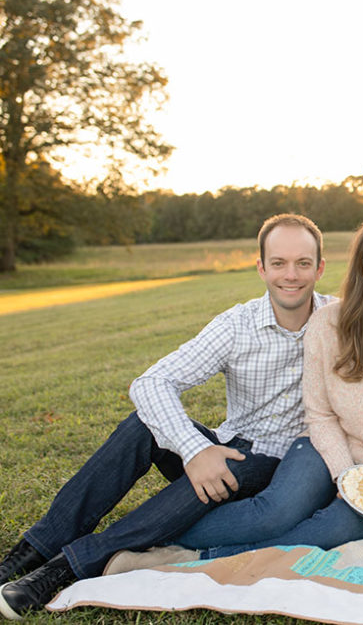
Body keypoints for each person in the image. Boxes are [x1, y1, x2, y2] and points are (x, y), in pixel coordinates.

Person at [0, 214, 334, 619]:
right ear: (261, 267)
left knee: (223, 472)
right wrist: (195, 450)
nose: (291, 275)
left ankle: (64, 568)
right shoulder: (236, 325)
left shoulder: (340, 320)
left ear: (319, 267)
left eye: (303, 263)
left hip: (281, 466)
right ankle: (32, 551)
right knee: (145, 426)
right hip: (232, 444)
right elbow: (151, 383)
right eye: (278, 263)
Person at [106, 208, 363, 568]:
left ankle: (184, 556)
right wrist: (346, 475)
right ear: (361, 259)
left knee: (323, 534)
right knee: (272, 515)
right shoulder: (327, 323)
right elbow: (321, 414)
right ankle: (136, 538)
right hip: (323, 452)